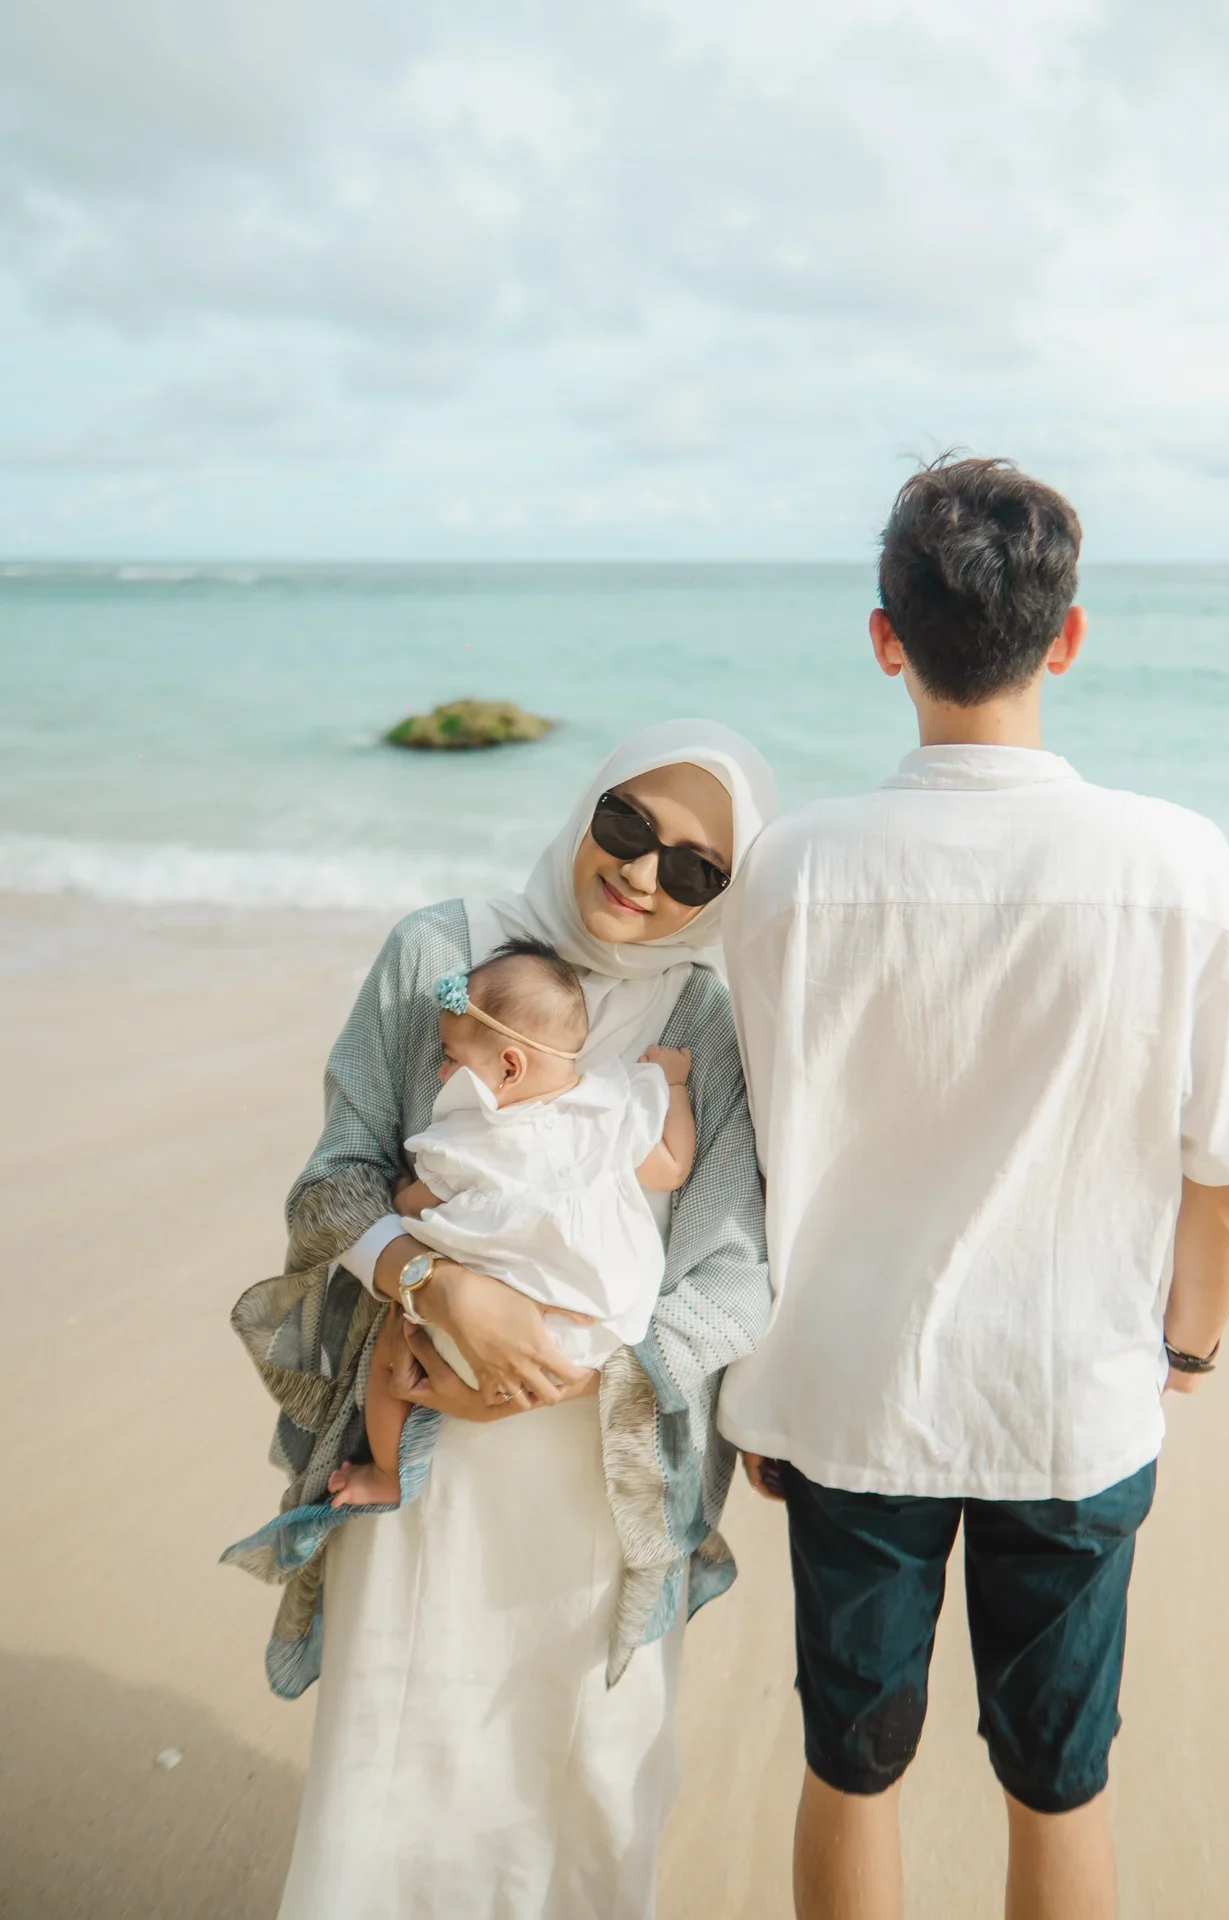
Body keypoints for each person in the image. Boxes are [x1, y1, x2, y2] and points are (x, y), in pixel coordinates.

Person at [718, 457, 1229, 1920]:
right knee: (1060, 1777)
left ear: (884, 635)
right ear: (1071, 633)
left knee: (852, 1767)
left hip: (848, 1387)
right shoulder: (1185, 867)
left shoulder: (790, 871)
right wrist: (1185, 1349)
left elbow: (769, 1136)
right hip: (1073, 1395)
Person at [229, 721, 776, 1920]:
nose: (642, 874)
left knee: (584, 1776)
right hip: (424, 1452)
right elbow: (338, 1181)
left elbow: (733, 1271)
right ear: (589, 804)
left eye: (693, 869)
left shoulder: (705, 1027)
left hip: (600, 1469)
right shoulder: (443, 954)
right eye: (629, 826)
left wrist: (570, 1370)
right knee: (402, 1756)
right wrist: (443, 1290)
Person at [327, 939, 697, 1508]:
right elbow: (672, 1168)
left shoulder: (473, 1139)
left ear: (508, 1068)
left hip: (468, 1332)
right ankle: (462, 1407)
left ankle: (385, 1471)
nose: (442, 1068)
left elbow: (413, 1204)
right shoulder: (609, 1110)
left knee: (388, 1348)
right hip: (590, 1336)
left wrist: (403, 1190)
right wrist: (671, 1086)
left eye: (450, 1055)